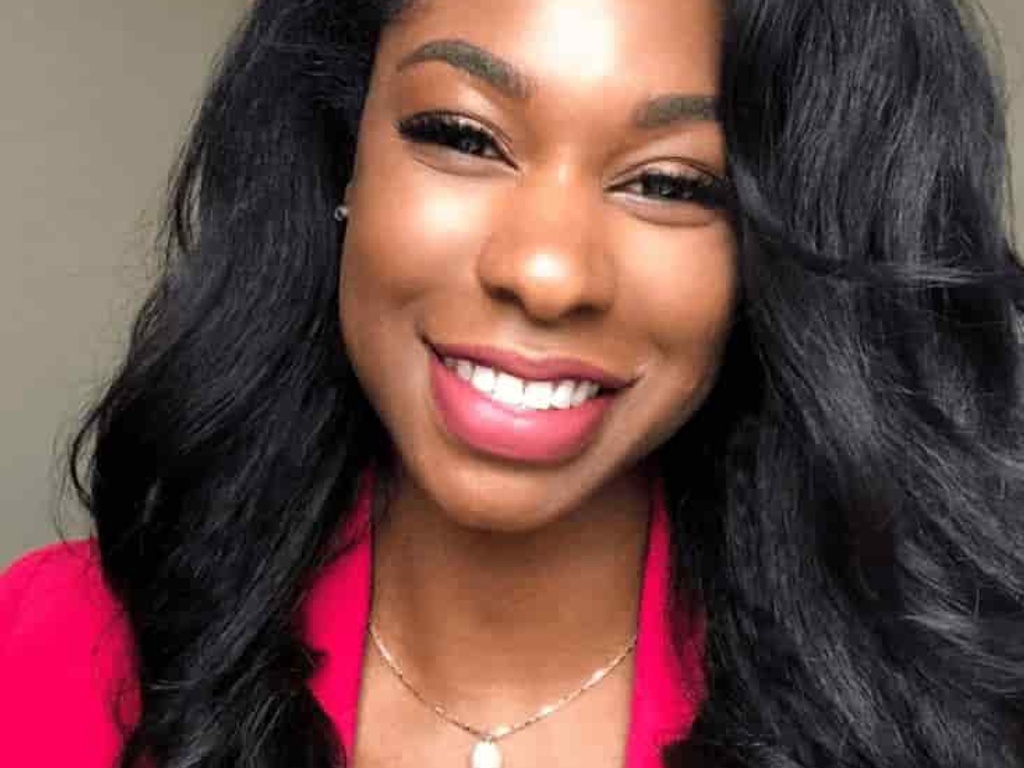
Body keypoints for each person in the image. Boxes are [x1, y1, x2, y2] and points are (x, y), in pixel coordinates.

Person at [2, 0, 1022, 766]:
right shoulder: (41, 654)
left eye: (672, 184)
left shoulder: (950, 713)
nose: (545, 271)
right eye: (462, 135)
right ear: (340, 150)